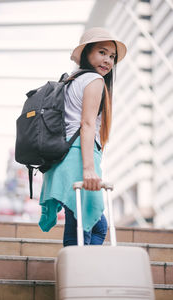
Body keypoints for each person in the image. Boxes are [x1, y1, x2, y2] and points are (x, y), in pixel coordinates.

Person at [39, 27, 127, 246]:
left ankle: (79, 273)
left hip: (64, 158)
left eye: (112, 56)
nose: (108, 60)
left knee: (84, 224)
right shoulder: (94, 81)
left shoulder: (72, 80)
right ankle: (79, 276)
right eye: (102, 52)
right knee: (86, 226)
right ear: (87, 53)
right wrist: (88, 169)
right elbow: (87, 124)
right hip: (78, 159)